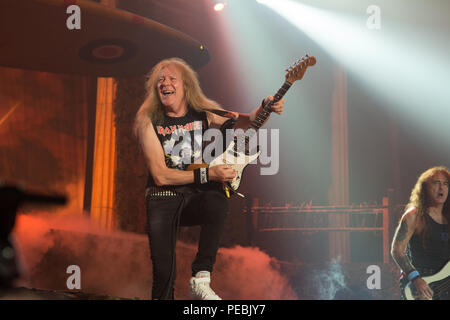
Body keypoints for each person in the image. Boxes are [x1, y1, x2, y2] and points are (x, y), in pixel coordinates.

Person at [134, 57, 284, 300]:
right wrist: (208, 173)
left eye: (172, 78)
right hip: (161, 200)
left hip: (191, 197)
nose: (165, 83)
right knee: (165, 275)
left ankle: (201, 278)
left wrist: (266, 105)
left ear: (186, 87)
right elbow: (160, 176)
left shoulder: (204, 113)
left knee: (217, 200)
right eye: (160, 80)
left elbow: (247, 121)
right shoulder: (148, 121)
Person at [391, 166, 450, 300]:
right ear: (425, 188)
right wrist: (415, 278)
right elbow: (397, 251)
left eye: (446, 184)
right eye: (436, 183)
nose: (442, 188)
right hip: (422, 282)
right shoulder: (414, 216)